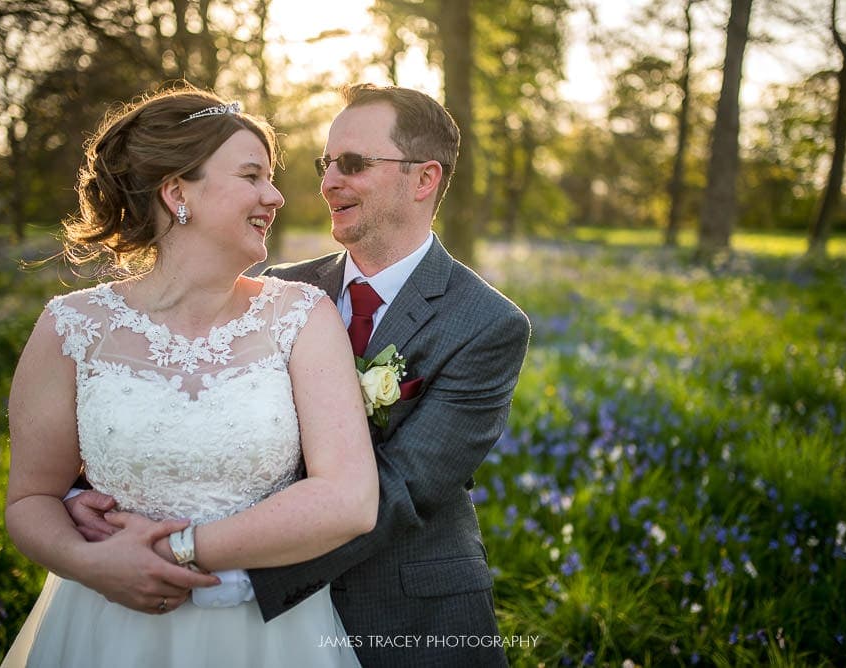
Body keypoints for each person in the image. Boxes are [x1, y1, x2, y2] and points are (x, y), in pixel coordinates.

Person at [71, 83, 532, 666]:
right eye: (327, 162)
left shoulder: (486, 323)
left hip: (405, 614)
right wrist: (89, 498)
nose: (327, 181)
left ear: (424, 180)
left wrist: (225, 566)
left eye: (354, 164)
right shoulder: (277, 293)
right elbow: (188, 400)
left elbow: (403, 487)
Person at [2, 85, 378, 667]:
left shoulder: (301, 316)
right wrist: (93, 565)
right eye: (252, 175)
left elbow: (349, 500)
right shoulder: (71, 328)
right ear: (178, 192)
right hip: (110, 623)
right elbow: (31, 499)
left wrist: (174, 551)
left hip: (269, 633)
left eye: (270, 176)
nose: (275, 195)